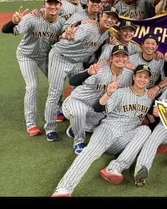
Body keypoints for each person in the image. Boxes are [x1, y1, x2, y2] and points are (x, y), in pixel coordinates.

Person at [51, 64, 154, 197]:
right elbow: (98, 108)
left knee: (145, 130)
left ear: (149, 80)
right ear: (133, 77)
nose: (142, 79)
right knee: (90, 153)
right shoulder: (121, 92)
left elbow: (152, 117)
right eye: (140, 76)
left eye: (146, 77)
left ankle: (115, 168)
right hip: (108, 130)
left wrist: (155, 113)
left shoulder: (149, 97)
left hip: (122, 140)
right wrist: (108, 93)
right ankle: (63, 189)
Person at [43, 6, 120, 142]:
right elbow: (67, 37)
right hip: (60, 57)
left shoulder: (106, 34)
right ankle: (50, 128)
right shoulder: (88, 28)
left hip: (77, 61)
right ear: (100, 15)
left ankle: (76, 119)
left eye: (113, 18)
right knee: (55, 93)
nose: (109, 20)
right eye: (107, 16)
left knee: (81, 90)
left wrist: (111, 41)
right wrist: (65, 36)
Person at [1, 0, 64, 136]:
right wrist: (14, 22)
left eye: (56, 3)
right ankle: (31, 124)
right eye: (50, 3)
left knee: (57, 81)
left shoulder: (61, 23)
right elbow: (6, 30)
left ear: (60, 6)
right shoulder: (32, 18)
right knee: (32, 86)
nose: (53, 6)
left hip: (45, 57)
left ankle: (57, 110)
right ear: (44, 5)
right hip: (26, 55)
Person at [63, 44, 133, 154]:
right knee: (79, 111)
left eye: (124, 56)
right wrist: (87, 73)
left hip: (97, 108)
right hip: (77, 101)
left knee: (103, 124)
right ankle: (79, 142)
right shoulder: (99, 70)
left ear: (127, 59)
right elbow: (73, 82)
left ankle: (76, 127)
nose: (120, 59)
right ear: (111, 58)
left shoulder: (128, 75)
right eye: (117, 56)